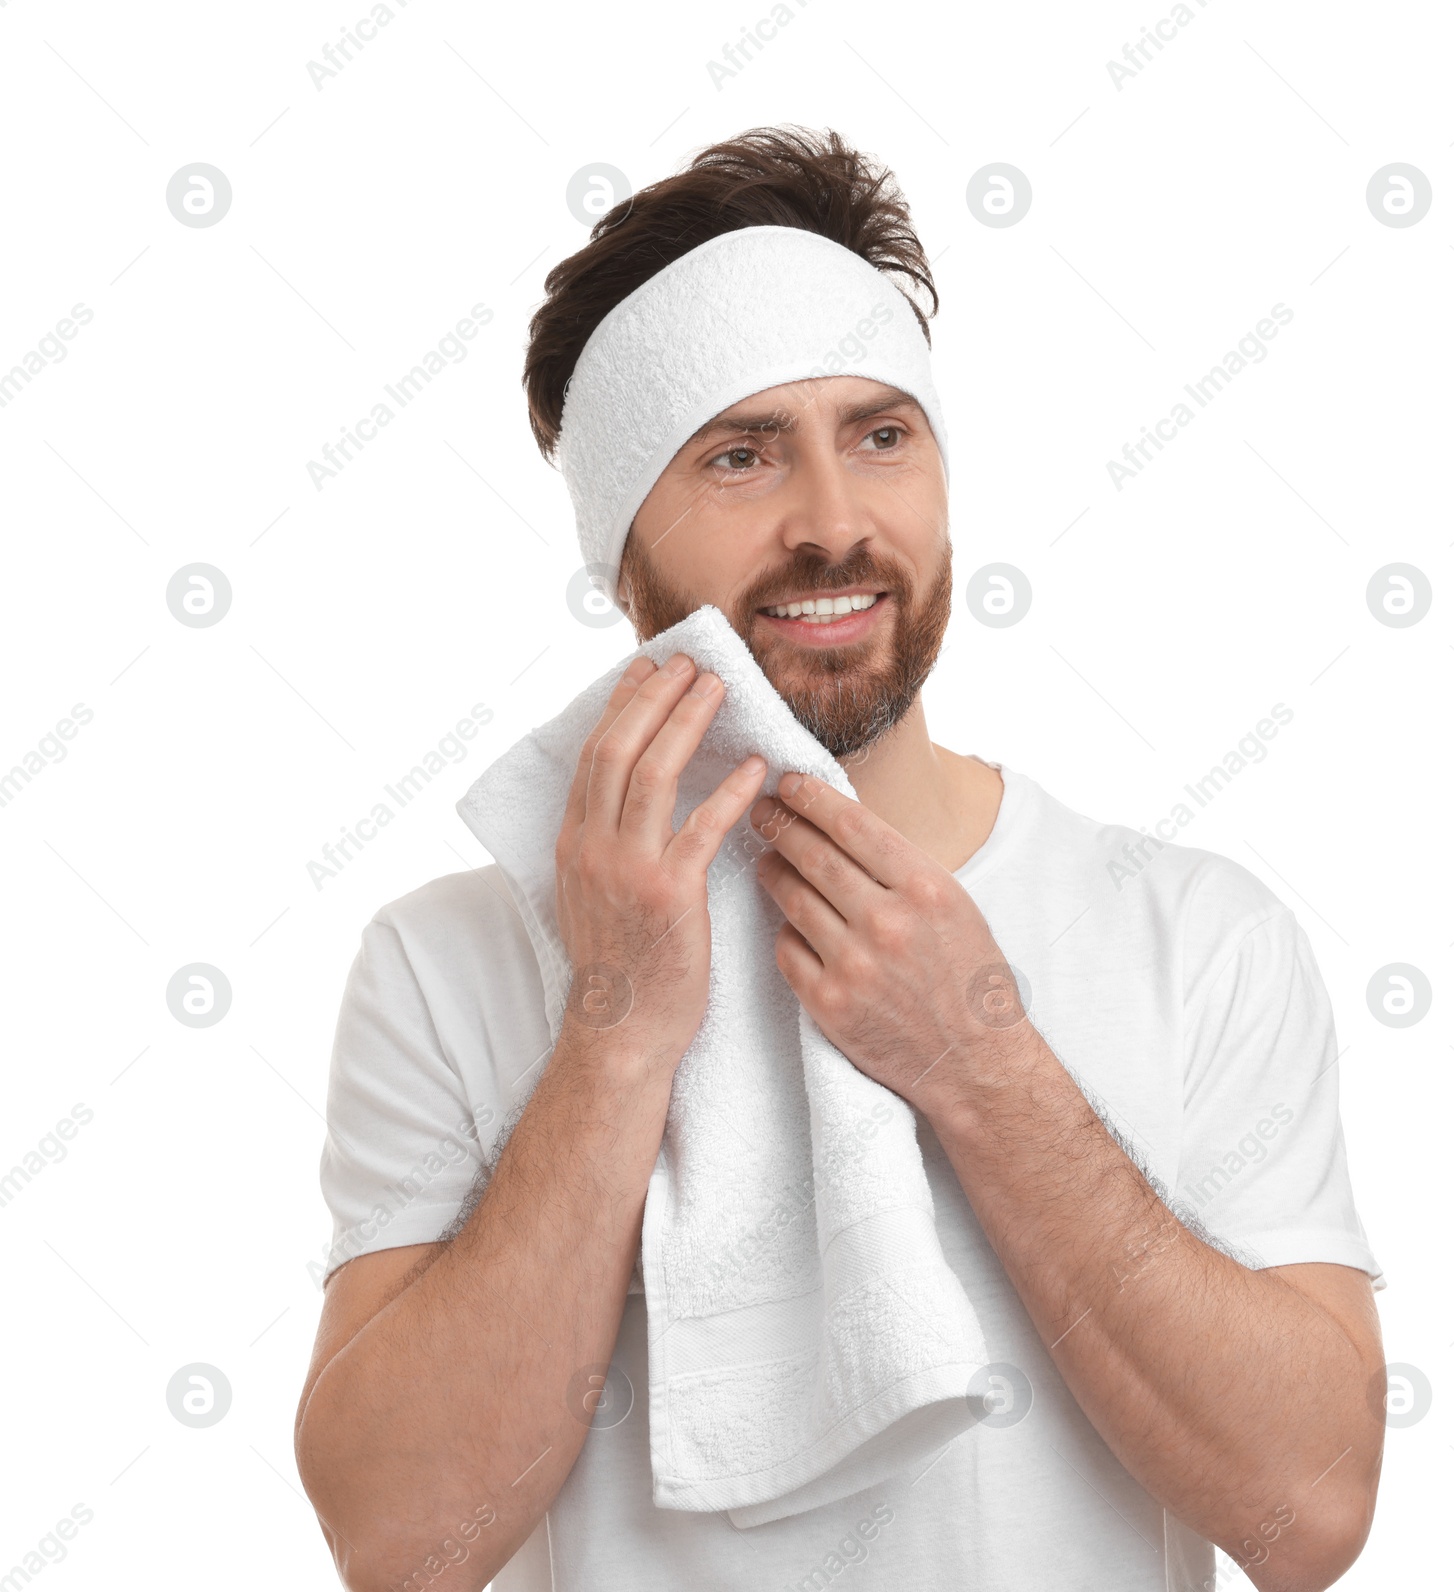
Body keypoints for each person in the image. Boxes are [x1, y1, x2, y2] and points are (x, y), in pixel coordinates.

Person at [294, 125, 1386, 1592]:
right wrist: (618, 1030)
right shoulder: (453, 964)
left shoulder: (1195, 935)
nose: (833, 525)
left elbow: (1307, 1520)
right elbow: (399, 1545)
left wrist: (979, 1062)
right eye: (739, 455)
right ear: (625, 551)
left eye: (882, 435)